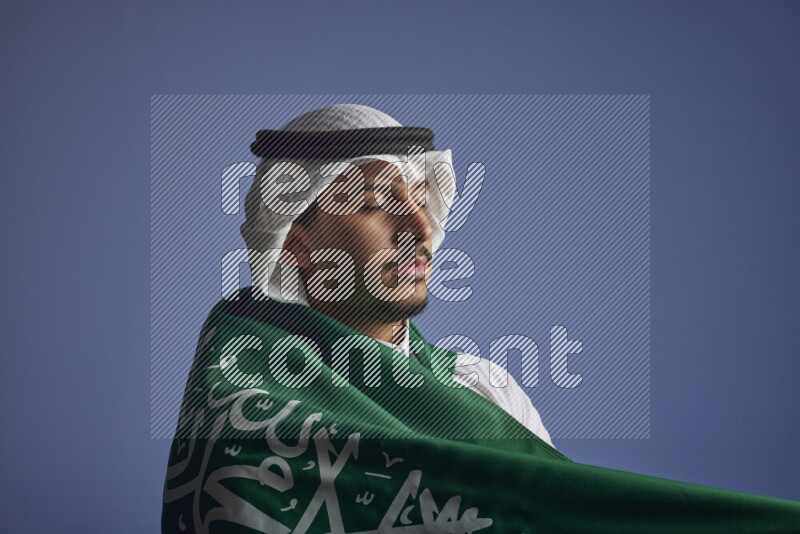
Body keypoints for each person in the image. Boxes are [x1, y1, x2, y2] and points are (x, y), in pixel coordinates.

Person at [162, 104, 800, 533]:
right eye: (378, 203)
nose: (419, 226)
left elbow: (555, 518)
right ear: (297, 240)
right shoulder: (244, 391)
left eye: (420, 202)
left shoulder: (482, 391)